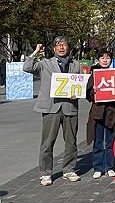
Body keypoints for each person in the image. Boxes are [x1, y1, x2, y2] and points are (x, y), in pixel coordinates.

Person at [23, 37, 82, 186]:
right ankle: (45, 173)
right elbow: (27, 68)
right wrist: (35, 52)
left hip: (70, 106)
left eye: (64, 44)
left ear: (69, 47)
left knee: (71, 141)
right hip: (51, 107)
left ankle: (69, 169)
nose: (61, 47)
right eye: (58, 45)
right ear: (54, 48)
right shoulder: (45, 63)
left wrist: (79, 93)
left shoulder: (76, 65)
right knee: (48, 142)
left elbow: (81, 84)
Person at [85, 49, 115, 179]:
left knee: (110, 140)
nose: (105, 60)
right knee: (98, 140)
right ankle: (98, 167)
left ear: (111, 60)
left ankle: (109, 166)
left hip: (112, 111)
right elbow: (87, 94)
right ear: (98, 60)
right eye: (102, 58)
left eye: (107, 58)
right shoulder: (94, 75)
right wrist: (93, 92)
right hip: (98, 112)